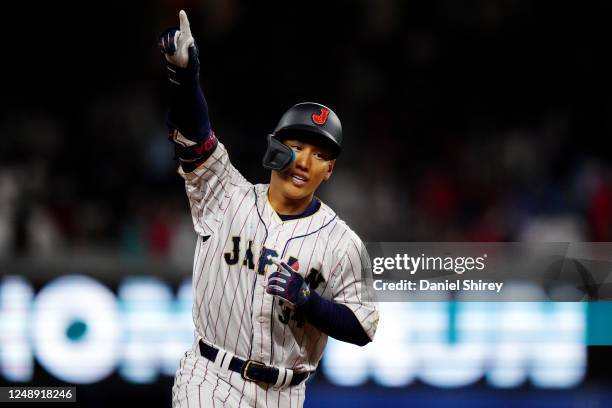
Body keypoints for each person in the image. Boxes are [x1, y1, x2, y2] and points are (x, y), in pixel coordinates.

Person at [159, 10, 379, 408]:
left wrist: (309, 301)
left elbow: (362, 326)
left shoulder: (342, 242)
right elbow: (195, 135)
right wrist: (184, 77)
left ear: (329, 170)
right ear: (276, 144)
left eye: (319, 155)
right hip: (210, 377)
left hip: (285, 392)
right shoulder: (226, 195)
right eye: (296, 146)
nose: (304, 161)